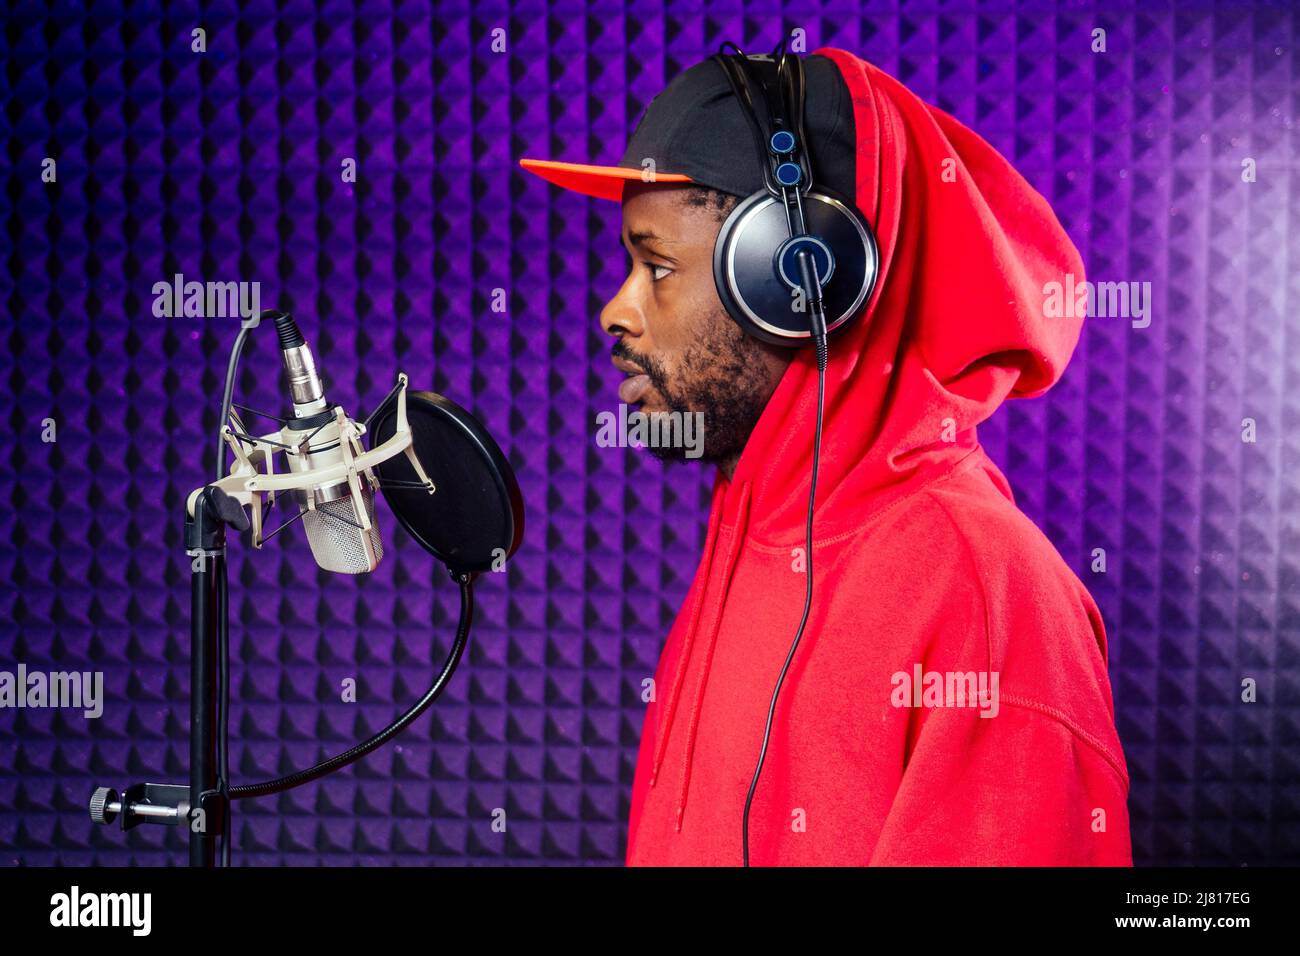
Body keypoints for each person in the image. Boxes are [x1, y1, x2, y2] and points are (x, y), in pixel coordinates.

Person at [520, 44, 1132, 866]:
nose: (614, 310)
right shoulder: (752, 525)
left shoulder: (988, 599)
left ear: (794, 279)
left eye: (657, 267)